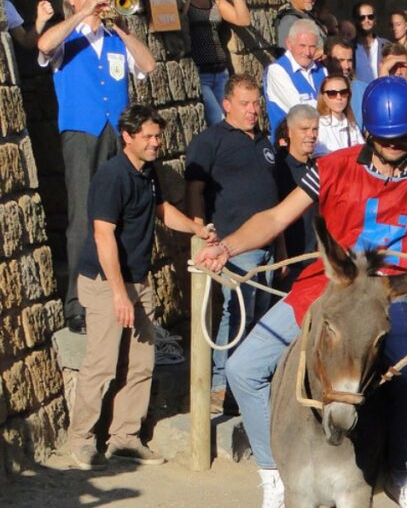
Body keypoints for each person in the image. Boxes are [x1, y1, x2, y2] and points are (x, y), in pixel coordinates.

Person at [192, 77, 407, 508]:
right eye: (384, 141)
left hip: (388, 295)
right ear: (368, 135)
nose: (393, 148)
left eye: (401, 139)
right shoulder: (332, 168)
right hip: (326, 288)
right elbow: (278, 217)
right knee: (242, 368)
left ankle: (405, 476)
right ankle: (273, 474)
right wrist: (227, 246)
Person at [67, 105, 214, 470]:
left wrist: (196, 229)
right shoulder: (111, 177)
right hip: (106, 283)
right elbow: (103, 236)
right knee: (101, 365)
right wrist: (119, 293)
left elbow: (161, 210)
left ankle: (125, 438)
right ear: (127, 137)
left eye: (157, 136)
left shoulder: (148, 172)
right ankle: (81, 440)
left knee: (141, 363)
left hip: (138, 279)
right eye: (147, 136)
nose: (155, 143)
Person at [38, 0, 156, 336]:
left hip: (117, 134)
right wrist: (82, 15)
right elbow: (44, 45)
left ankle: (117, 291)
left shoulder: (114, 37)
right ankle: (76, 304)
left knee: (119, 214)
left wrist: (123, 30)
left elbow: (148, 65)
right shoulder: (67, 35)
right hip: (81, 132)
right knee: (82, 218)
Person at [186, 74, 280, 414]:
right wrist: (200, 231)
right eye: (244, 103)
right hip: (233, 245)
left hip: (268, 245)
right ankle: (221, 385)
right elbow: (194, 189)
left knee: (260, 316)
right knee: (233, 314)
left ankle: (251, 380)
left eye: (256, 103)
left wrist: (280, 247)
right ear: (226, 105)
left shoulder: (265, 142)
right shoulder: (210, 140)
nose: (252, 110)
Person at [181, 0, 250, 127]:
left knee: (234, 121)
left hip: (221, 72)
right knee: (218, 121)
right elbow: (180, 21)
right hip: (201, 74)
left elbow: (243, 20)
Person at [273, 105, 320, 288]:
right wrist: (281, 253)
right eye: (304, 129)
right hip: (289, 262)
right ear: (290, 132)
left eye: (315, 129)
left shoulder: (318, 167)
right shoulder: (278, 168)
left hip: (315, 260)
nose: (311, 135)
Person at [264, 19, 326, 137]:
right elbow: (301, 112)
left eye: (312, 46)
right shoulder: (277, 70)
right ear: (289, 44)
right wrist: (328, 107)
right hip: (290, 145)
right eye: (302, 46)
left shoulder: (322, 70)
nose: (307, 52)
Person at [314, 73, 363, 157]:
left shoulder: (352, 124)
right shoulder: (319, 126)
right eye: (332, 93)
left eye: (343, 92)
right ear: (323, 97)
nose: (339, 97)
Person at [323, 36, 366, 128]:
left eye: (349, 60)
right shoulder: (318, 89)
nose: (346, 66)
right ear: (326, 60)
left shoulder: (363, 90)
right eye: (341, 60)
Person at [353, 1, 389, 83]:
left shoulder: (386, 45)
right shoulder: (350, 47)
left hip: (381, 93)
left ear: (375, 20)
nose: (367, 20)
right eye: (362, 17)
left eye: (370, 17)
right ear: (355, 20)